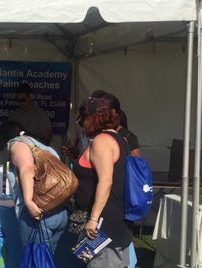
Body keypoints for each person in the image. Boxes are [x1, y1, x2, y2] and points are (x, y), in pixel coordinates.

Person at [71, 97, 132, 267]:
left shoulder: (102, 142)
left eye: (82, 120)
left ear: (91, 118)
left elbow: (106, 181)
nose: (82, 125)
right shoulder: (120, 138)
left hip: (104, 224)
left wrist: (94, 219)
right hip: (115, 220)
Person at [0, 120, 68, 258]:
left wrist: (29, 202)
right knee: (46, 262)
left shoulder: (17, 143)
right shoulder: (45, 148)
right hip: (59, 212)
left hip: (38, 215)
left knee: (34, 261)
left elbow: (27, 168)